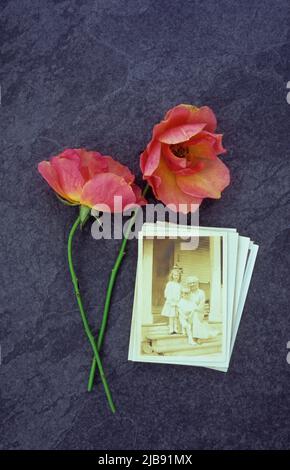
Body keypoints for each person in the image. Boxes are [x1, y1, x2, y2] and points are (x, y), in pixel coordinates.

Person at [186, 276, 218, 341]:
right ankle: (197, 336)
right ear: (188, 284)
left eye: (193, 282)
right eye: (190, 283)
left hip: (198, 312)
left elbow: (202, 304)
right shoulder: (187, 293)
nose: (192, 284)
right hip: (188, 312)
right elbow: (185, 302)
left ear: (197, 283)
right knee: (193, 317)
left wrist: (195, 310)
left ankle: (197, 337)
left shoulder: (201, 292)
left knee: (195, 317)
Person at [161, 266, 181, 334]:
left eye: (177, 275)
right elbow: (166, 293)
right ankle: (171, 329)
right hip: (171, 302)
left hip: (177, 302)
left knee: (176, 316)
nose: (176, 276)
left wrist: (179, 301)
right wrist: (170, 300)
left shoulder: (179, 285)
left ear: (179, 276)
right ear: (172, 276)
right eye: (175, 275)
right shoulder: (169, 284)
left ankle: (175, 329)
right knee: (171, 316)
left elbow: (180, 293)